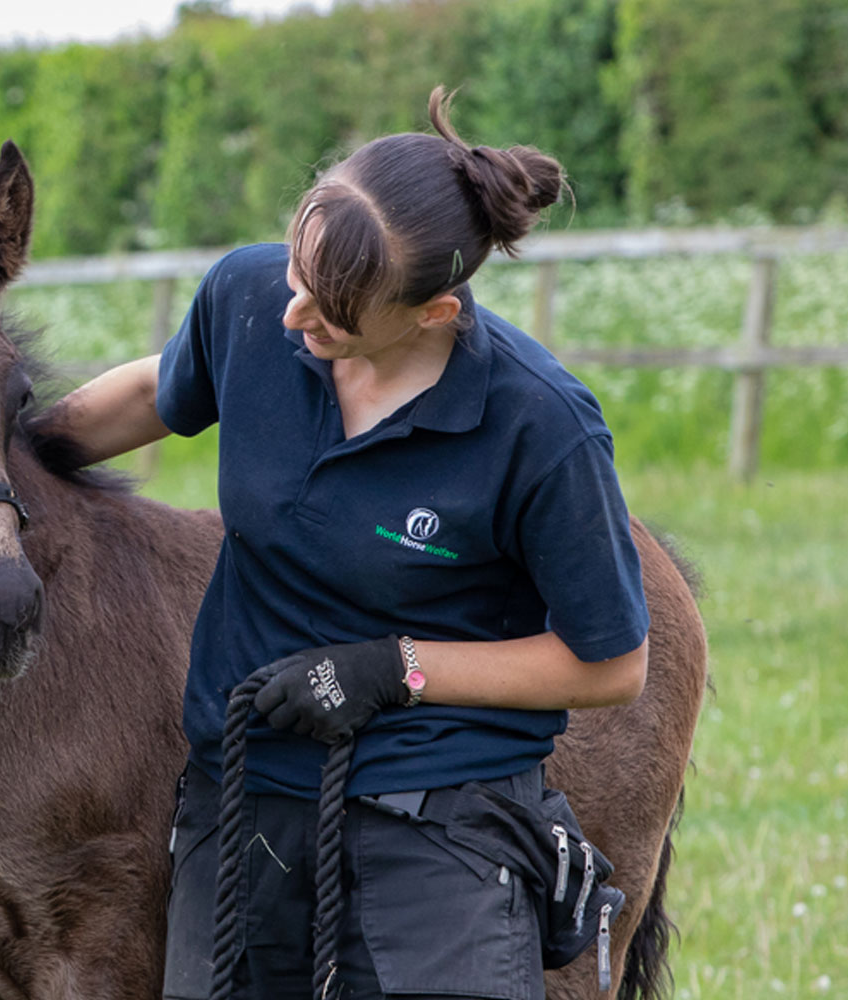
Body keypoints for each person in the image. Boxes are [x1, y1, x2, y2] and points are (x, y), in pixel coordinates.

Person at [40, 87, 650, 1000]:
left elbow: (610, 667)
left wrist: (397, 668)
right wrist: (1, 453)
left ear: (435, 312)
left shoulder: (542, 427)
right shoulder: (251, 298)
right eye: (296, 274)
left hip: (444, 810)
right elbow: (158, 389)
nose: (293, 317)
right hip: (243, 795)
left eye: (332, 312)